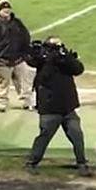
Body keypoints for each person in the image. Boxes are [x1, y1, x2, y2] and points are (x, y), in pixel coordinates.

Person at [24, 36, 89, 177]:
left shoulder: (64, 60)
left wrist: (65, 57)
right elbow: (36, 67)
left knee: (77, 135)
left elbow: (78, 69)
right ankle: (31, 163)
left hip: (67, 107)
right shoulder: (43, 60)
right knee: (45, 136)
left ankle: (82, 164)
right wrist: (48, 58)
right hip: (50, 108)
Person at [0, 0, 34, 113]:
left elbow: (26, 37)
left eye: (8, 9)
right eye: (4, 9)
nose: (7, 11)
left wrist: (26, 53)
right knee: (3, 84)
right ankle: (2, 104)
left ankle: (26, 102)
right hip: (2, 61)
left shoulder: (17, 23)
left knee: (23, 82)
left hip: (18, 59)